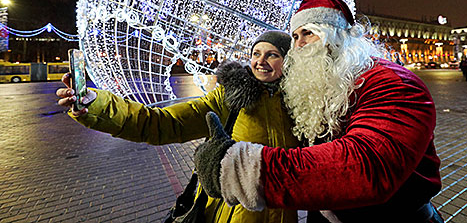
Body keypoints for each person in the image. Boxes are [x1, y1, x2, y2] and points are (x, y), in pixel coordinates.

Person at [194, 0, 444, 223]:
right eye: (294, 36)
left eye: (309, 33)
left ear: (337, 37)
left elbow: (367, 165)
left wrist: (244, 169)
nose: (299, 44)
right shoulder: (315, 88)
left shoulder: (392, 83)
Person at [56, 30, 302, 223]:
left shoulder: (302, 105)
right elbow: (162, 123)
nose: (260, 61)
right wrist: (96, 104)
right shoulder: (229, 98)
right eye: (256, 53)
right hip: (232, 214)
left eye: (272, 55)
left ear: (288, 61)